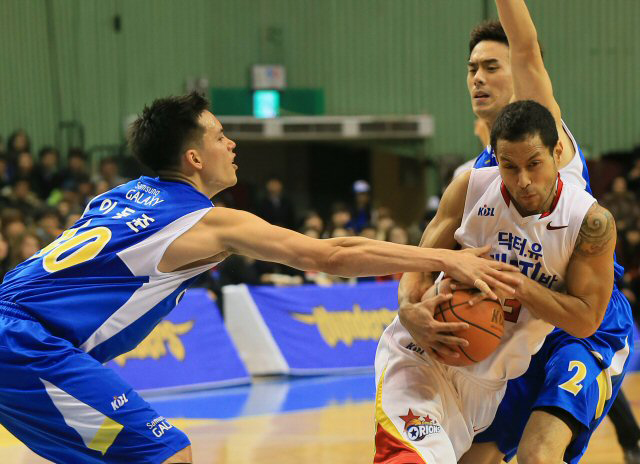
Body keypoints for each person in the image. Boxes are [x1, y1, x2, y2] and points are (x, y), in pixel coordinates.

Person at [0, 92, 519, 464]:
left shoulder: (118, 195)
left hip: (20, 330)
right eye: (221, 136)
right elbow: (333, 254)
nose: (232, 145)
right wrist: (446, 260)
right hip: (27, 345)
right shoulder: (208, 221)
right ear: (194, 157)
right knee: (167, 453)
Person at [402, 1, 638, 461]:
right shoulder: (478, 176)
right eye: (472, 68)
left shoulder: (552, 142)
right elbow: (427, 253)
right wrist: (412, 305)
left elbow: (527, 47)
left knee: (538, 454)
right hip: (519, 330)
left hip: (582, 324)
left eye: (492, 66)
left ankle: (630, 438)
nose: (478, 78)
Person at [374, 99, 633, 464]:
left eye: (534, 164)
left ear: (557, 152)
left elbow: (586, 321)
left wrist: (521, 285)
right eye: (509, 166)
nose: (522, 181)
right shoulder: (471, 188)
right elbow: (421, 264)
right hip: (450, 355)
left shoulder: (590, 222)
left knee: (538, 455)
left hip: (522, 360)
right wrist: (409, 309)